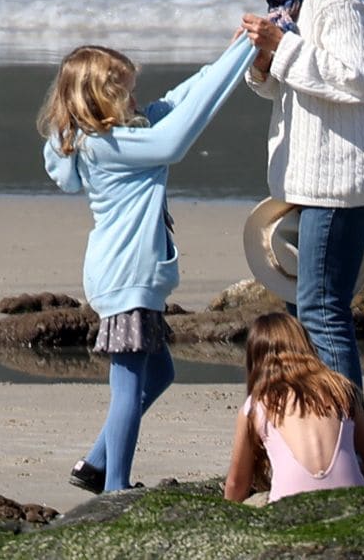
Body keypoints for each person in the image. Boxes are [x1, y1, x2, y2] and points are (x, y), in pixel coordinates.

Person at [204, 0, 364, 391]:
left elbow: (359, 80)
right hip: (315, 177)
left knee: (320, 310)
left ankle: (347, 448)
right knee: (306, 307)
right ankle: (328, 440)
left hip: (341, 178)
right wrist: (263, 63)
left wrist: (282, 47)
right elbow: (296, 85)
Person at [37, 36, 256, 493]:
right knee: (127, 387)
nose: (137, 101)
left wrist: (234, 50)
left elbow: (180, 99)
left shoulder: (117, 135)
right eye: (127, 94)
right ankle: (115, 487)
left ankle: (95, 464)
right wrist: (247, 53)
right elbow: (176, 138)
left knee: (159, 373)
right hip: (126, 280)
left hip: (127, 278)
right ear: (102, 101)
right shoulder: (107, 146)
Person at [225, 312, 364, 503]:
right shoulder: (340, 390)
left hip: (289, 509)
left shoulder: (257, 405)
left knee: (256, 502)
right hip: (351, 503)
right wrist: (357, 492)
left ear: (256, 358)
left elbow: (236, 484)